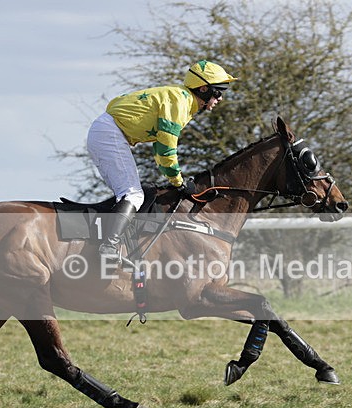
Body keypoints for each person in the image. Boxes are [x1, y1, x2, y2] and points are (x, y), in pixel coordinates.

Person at [86, 59, 238, 259]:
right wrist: (178, 182)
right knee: (133, 195)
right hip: (109, 133)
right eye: (218, 92)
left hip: (107, 131)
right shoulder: (180, 102)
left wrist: (174, 179)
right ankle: (108, 247)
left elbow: (159, 147)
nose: (219, 99)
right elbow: (166, 149)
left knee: (130, 193)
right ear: (203, 89)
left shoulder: (181, 98)